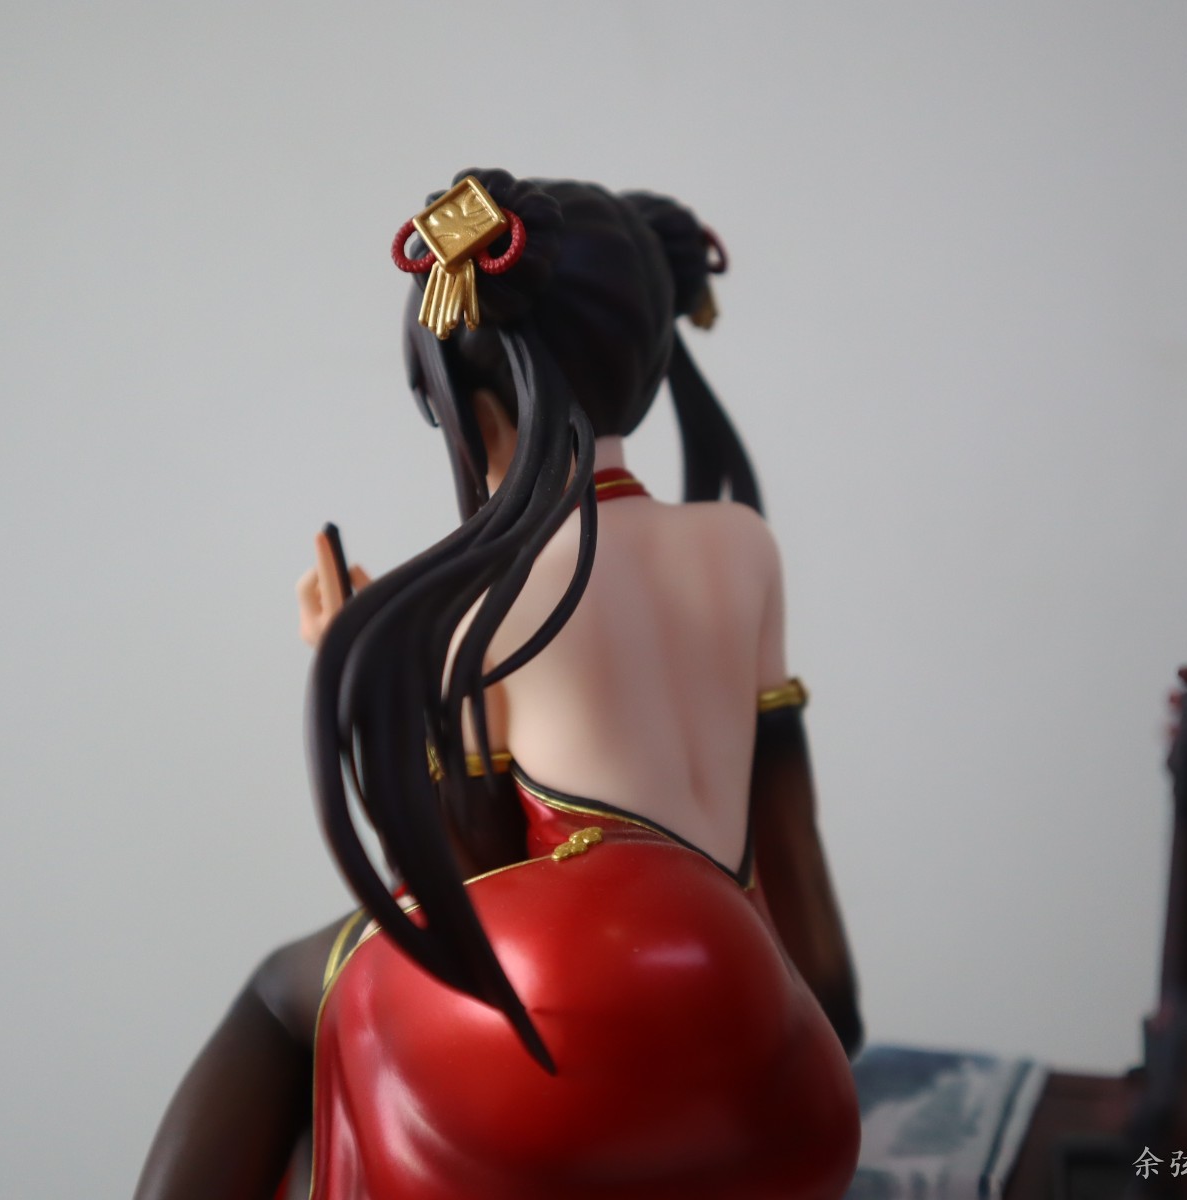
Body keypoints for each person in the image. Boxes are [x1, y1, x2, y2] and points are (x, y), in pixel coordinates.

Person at [135, 170, 862, 1200]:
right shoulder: (744, 546)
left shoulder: (472, 604)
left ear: (471, 410)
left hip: (575, 1031)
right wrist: (829, 1018)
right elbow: (789, 821)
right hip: (747, 1014)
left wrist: (361, 664)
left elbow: (466, 878)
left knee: (276, 994)